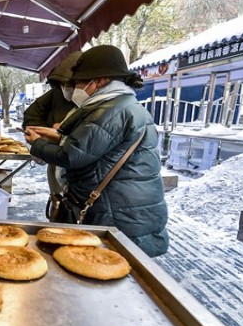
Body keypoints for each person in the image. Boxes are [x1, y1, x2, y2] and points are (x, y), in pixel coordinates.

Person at [25, 45, 169, 257]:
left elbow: (71, 156)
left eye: (79, 83)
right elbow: (98, 146)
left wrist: (37, 143)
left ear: (100, 80)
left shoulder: (111, 110)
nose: (75, 89)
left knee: (110, 270)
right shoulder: (120, 104)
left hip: (119, 210)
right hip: (125, 205)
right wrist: (61, 137)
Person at [22, 51, 82, 218]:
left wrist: (61, 134)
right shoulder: (58, 91)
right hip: (58, 162)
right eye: (65, 85)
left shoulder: (106, 106)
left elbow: (83, 146)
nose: (67, 89)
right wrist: (42, 132)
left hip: (82, 178)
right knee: (61, 208)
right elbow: (31, 115)